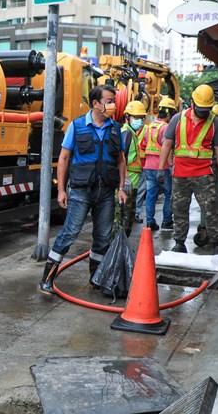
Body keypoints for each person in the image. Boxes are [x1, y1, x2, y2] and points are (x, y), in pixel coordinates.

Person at [39, 85, 128, 294]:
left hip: (106, 192)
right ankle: (47, 279)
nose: (113, 105)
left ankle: (95, 278)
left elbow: (121, 161)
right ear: (96, 104)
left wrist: (122, 188)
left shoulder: (115, 128)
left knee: (103, 237)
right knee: (69, 233)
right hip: (81, 191)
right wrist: (61, 190)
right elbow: (63, 158)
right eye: (108, 101)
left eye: (113, 100)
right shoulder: (77, 126)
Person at [158, 84, 218, 255]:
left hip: (204, 174)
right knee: (179, 208)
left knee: (210, 209)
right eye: (200, 108)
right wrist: (161, 169)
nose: (204, 112)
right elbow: (167, 144)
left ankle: (216, 243)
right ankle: (179, 242)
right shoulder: (177, 119)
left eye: (207, 109)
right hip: (180, 174)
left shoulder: (215, 123)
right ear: (191, 102)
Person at [139, 97, 177, 230]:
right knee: (169, 193)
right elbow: (169, 148)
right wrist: (171, 166)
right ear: (169, 114)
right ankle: (167, 221)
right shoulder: (167, 127)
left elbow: (143, 145)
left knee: (151, 194)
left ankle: (150, 222)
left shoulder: (149, 127)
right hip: (163, 167)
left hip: (148, 167)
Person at [115, 100, 147, 236]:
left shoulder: (131, 133)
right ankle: (115, 250)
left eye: (141, 118)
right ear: (127, 117)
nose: (139, 121)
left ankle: (121, 250)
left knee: (127, 220)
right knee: (121, 220)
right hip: (127, 185)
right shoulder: (126, 133)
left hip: (131, 184)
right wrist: (125, 179)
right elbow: (121, 158)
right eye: (136, 117)